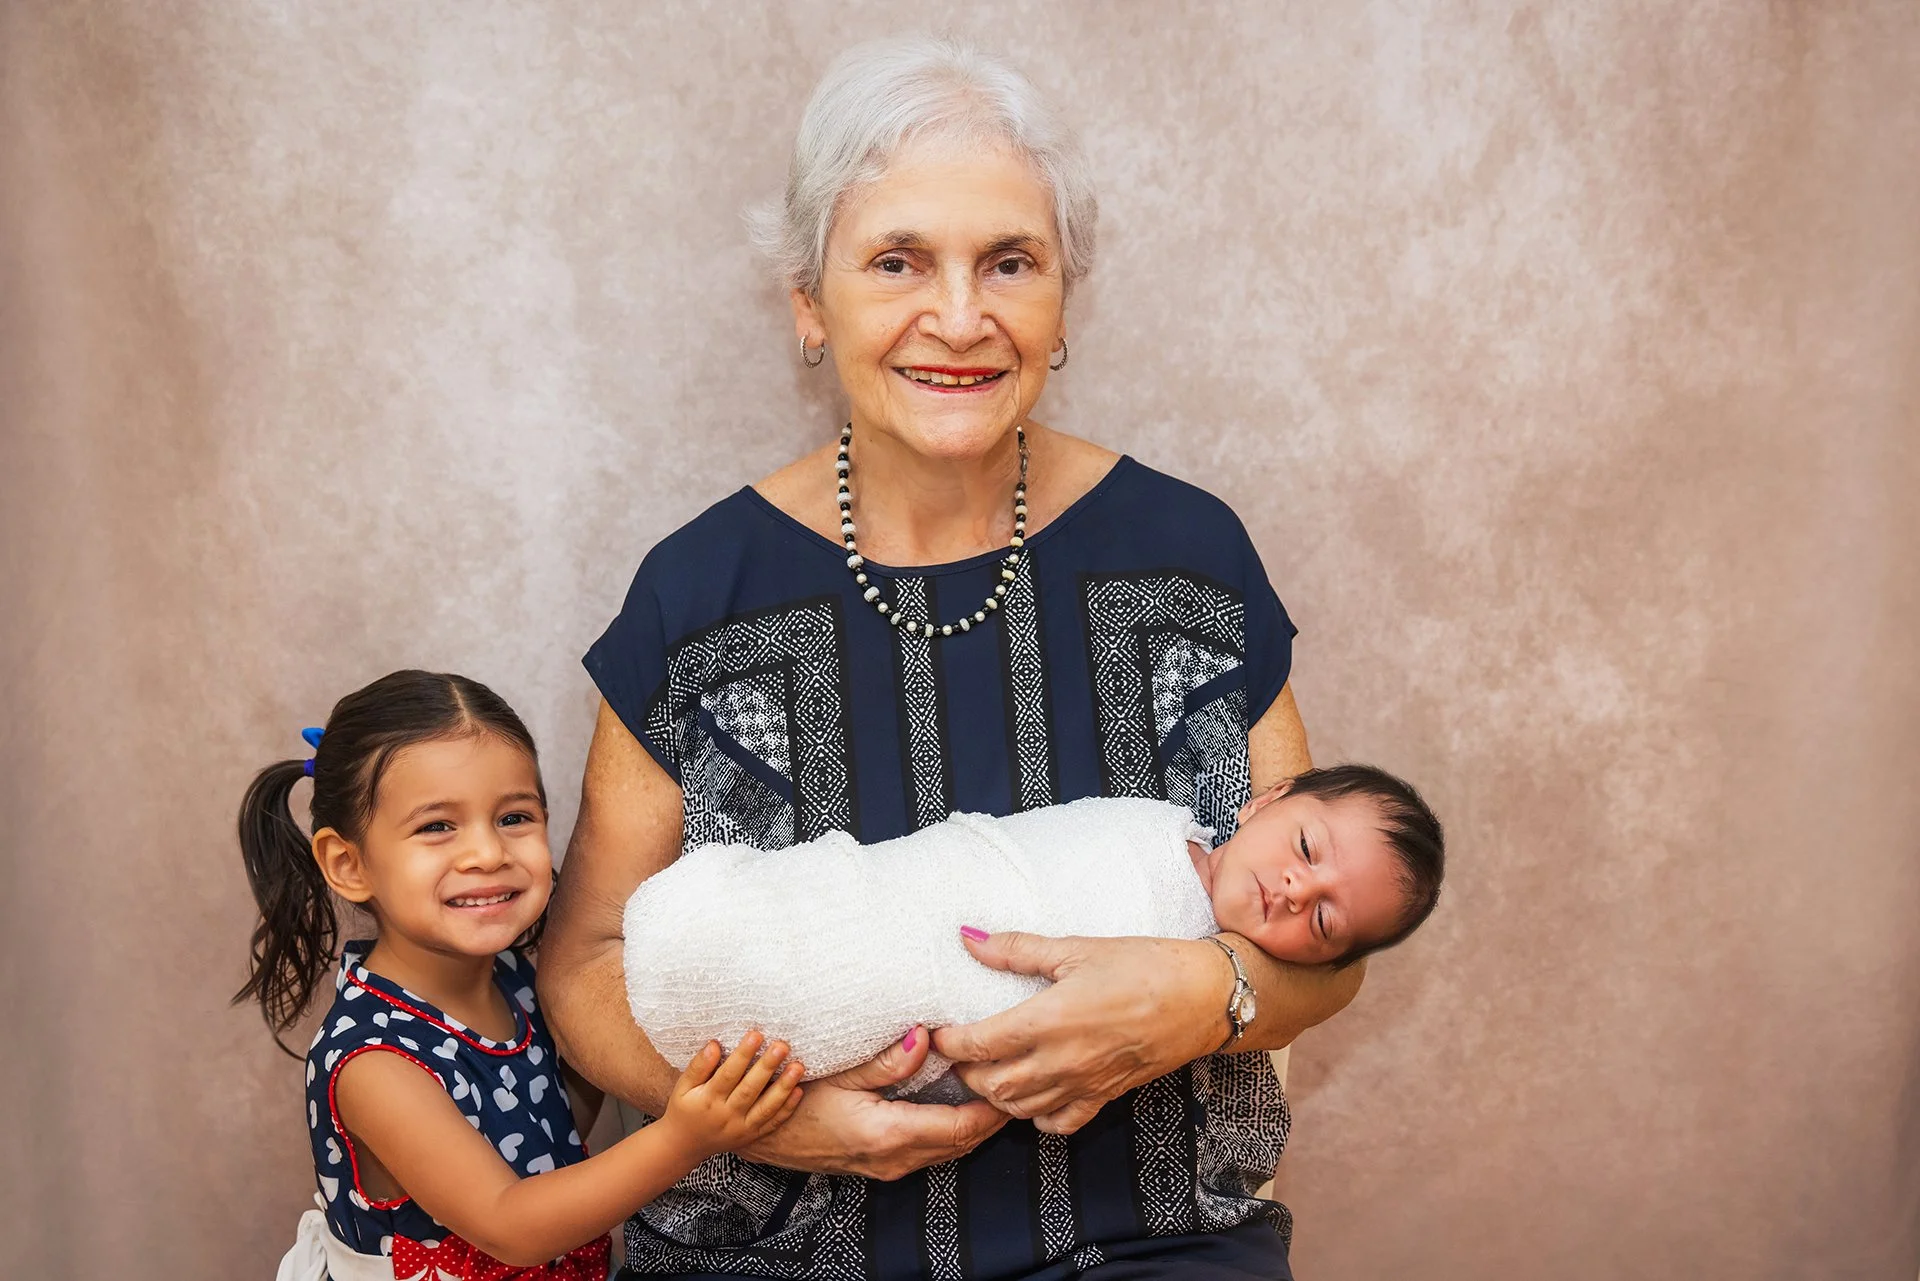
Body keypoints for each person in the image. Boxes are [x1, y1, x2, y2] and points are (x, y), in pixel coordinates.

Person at [540, 36, 1365, 1281]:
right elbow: (584, 969)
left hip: (1150, 1250)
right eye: (898, 261)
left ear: (1064, 304)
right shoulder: (699, 594)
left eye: (1010, 263)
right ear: (808, 302)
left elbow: (1329, 934)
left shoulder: (1191, 558)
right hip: (772, 1261)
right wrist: (763, 1121)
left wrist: (1204, 999)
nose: (963, 318)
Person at [234, 670, 804, 1281]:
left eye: (513, 818)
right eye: (436, 827)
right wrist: (685, 1138)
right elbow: (511, 1225)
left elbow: (543, 1132)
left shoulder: (515, 980)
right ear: (349, 864)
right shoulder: (374, 1059)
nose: (488, 853)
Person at [622, 766, 1445, 1094]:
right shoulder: (1150, 824)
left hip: (944, 1022)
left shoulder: (1197, 975)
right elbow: (990, 855)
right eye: (1306, 849)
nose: (1297, 890)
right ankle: (729, 936)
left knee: (866, 980)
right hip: (918, 893)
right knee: (858, 901)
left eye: (1326, 918)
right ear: (1269, 797)